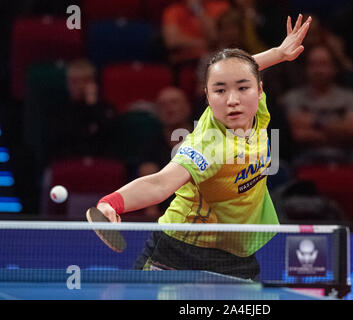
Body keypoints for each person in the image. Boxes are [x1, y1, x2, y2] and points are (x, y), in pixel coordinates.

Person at [95, 14, 312, 280]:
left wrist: (279, 53)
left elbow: (239, 70)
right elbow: (161, 184)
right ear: (207, 96)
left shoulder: (260, 110)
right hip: (181, 253)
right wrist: (112, 203)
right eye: (220, 91)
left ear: (259, 90)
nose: (232, 100)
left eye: (243, 88)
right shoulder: (209, 144)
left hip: (238, 253)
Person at [279, 44, 353, 165]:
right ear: (306, 69)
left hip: (346, 159)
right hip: (305, 159)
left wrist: (315, 123)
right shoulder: (293, 98)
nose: (318, 70)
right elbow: (298, 135)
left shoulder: (350, 98)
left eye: (323, 64)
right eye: (313, 64)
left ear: (334, 68)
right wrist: (339, 131)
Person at [137, 87, 195, 220]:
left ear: (187, 107)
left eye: (174, 102)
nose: (169, 109)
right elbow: (150, 189)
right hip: (167, 217)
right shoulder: (152, 144)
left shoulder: (205, 140)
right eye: (163, 105)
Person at [48, 59, 117, 161]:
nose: (80, 86)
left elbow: (111, 136)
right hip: (69, 162)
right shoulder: (58, 110)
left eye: (85, 81)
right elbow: (63, 140)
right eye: (74, 82)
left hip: (101, 161)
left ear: (94, 83)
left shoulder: (106, 108)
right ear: (67, 84)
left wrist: (92, 106)